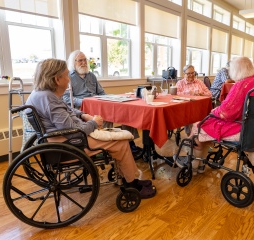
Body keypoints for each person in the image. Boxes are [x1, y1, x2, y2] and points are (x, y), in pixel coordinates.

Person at [25, 58, 156, 198]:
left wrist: (83, 115)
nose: (69, 79)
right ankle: (132, 184)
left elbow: (67, 110)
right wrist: (94, 123)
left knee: (116, 135)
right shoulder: (48, 98)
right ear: (57, 79)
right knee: (122, 142)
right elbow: (73, 132)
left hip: (59, 140)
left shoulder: (41, 94)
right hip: (69, 145)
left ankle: (126, 176)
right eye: (66, 75)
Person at [176, 57, 254, 175]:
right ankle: (201, 164)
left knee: (198, 126)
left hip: (241, 128)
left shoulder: (241, 85)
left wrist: (214, 111)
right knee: (205, 127)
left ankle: (194, 165)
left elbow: (226, 112)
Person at [63, 50, 142, 156]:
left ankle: (130, 143)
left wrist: (112, 99)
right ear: (73, 62)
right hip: (83, 108)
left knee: (123, 113)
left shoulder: (91, 75)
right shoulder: (69, 77)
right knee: (105, 116)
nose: (83, 63)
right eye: (80, 61)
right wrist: (85, 101)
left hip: (99, 104)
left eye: (85, 60)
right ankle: (107, 145)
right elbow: (66, 98)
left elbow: (101, 92)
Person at [176, 64, 212, 135]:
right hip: (187, 108)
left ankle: (201, 134)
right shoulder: (180, 83)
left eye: (193, 73)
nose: (191, 75)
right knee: (190, 115)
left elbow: (209, 94)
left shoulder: (199, 82)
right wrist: (189, 93)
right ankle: (191, 136)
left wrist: (201, 94)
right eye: (188, 73)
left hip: (200, 108)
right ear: (184, 74)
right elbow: (176, 94)